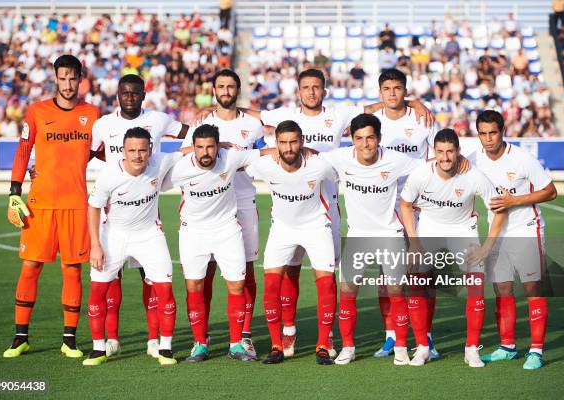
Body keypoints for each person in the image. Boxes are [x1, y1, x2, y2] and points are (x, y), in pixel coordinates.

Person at [242, 68, 433, 358]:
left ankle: (336, 338)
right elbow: (254, 118)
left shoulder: (341, 116)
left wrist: (415, 103)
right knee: (290, 272)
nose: (311, 92)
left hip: (328, 210)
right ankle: (289, 333)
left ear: (324, 90)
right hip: (291, 210)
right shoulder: (285, 116)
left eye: (316, 87)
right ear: (299, 90)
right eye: (305, 87)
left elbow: (377, 106)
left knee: (354, 278)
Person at [4, 55, 100, 358]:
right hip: (40, 204)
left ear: (81, 78)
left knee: (72, 271)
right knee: (30, 267)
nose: (68, 84)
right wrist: (14, 190)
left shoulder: (92, 114)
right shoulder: (37, 112)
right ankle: (21, 337)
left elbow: (100, 152)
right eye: (63, 78)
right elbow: (23, 150)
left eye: (73, 78)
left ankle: (69, 340)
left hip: (75, 205)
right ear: (55, 79)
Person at [90, 73, 188, 358]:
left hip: (147, 211)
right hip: (114, 210)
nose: (129, 97)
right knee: (110, 279)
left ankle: (154, 339)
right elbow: (88, 153)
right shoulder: (103, 124)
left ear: (144, 94)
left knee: (152, 278)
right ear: (117, 95)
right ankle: (112, 339)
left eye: (135, 93)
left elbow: (190, 134)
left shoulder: (159, 119)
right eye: (124, 93)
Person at [319, 114, 423, 365]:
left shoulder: (396, 160)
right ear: (351, 139)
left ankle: (400, 347)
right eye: (359, 138)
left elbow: (428, 166)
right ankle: (348, 347)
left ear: (379, 138)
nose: (365, 144)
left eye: (370, 138)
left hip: (390, 234)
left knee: (396, 291)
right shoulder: (339, 158)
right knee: (347, 292)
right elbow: (307, 156)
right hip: (357, 235)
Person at [400, 128, 507, 368]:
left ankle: (471, 349)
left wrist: (488, 246)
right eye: (440, 152)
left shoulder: (474, 175)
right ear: (434, 152)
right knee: (418, 285)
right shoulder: (421, 174)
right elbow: (405, 204)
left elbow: (499, 208)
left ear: (458, 152)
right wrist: (414, 242)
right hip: (429, 229)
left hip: (463, 232)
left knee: (477, 289)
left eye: (450, 152)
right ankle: (422, 348)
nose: (445, 157)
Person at [165, 124, 273, 362]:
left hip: (227, 230)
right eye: (200, 147)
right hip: (193, 232)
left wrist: (303, 150)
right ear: (192, 148)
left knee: (236, 285)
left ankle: (235, 345)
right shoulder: (179, 168)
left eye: (211, 147)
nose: (205, 153)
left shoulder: (230, 157)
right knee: (194, 286)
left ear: (218, 147)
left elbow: (262, 153)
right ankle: (200, 344)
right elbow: (151, 183)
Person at [182, 69, 265, 358]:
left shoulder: (254, 123)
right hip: (210, 207)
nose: (226, 90)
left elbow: (264, 153)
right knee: (204, 271)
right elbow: (185, 156)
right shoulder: (203, 121)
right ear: (214, 89)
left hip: (243, 200)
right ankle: (201, 336)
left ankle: (244, 334)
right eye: (221, 86)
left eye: (231, 86)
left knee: (246, 270)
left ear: (237, 89)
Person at [470, 110, 557, 370]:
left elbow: (551, 192)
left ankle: (537, 351)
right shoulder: (474, 159)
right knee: (502, 288)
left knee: (531, 288)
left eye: (492, 132)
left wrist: (514, 201)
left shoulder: (522, 159)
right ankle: (507, 346)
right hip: (496, 233)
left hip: (526, 229)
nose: (488, 139)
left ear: (502, 131)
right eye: (483, 133)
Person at [245, 120, 337, 365]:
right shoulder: (264, 165)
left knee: (327, 284)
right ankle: (277, 344)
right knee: (272, 284)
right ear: (276, 143)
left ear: (302, 142)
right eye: (283, 142)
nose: (288, 147)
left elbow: (343, 169)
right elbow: (235, 159)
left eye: (294, 141)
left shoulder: (319, 165)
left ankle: (323, 344)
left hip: (317, 227)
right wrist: (265, 152)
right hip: (283, 229)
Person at [371, 68, 439, 359]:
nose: (392, 93)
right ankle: (391, 336)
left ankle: (427, 337)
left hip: (420, 207)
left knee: (423, 276)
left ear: (405, 91)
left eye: (397, 88)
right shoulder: (373, 122)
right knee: (387, 277)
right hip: (385, 209)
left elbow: (438, 156)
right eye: (387, 88)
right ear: (380, 92)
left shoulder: (422, 118)